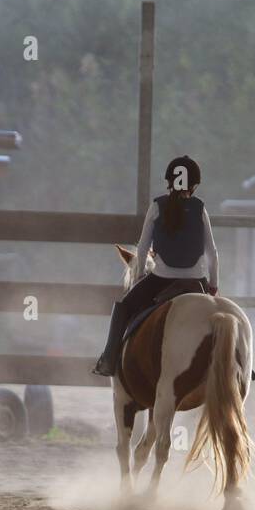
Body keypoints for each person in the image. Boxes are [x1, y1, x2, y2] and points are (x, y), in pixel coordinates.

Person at [92, 155, 219, 376]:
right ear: (195, 185)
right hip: (195, 282)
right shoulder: (200, 209)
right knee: (223, 320)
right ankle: (242, 368)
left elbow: (142, 250)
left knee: (123, 306)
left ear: (169, 182)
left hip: (160, 280)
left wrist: (140, 276)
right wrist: (213, 287)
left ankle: (109, 359)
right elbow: (213, 254)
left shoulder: (157, 206)